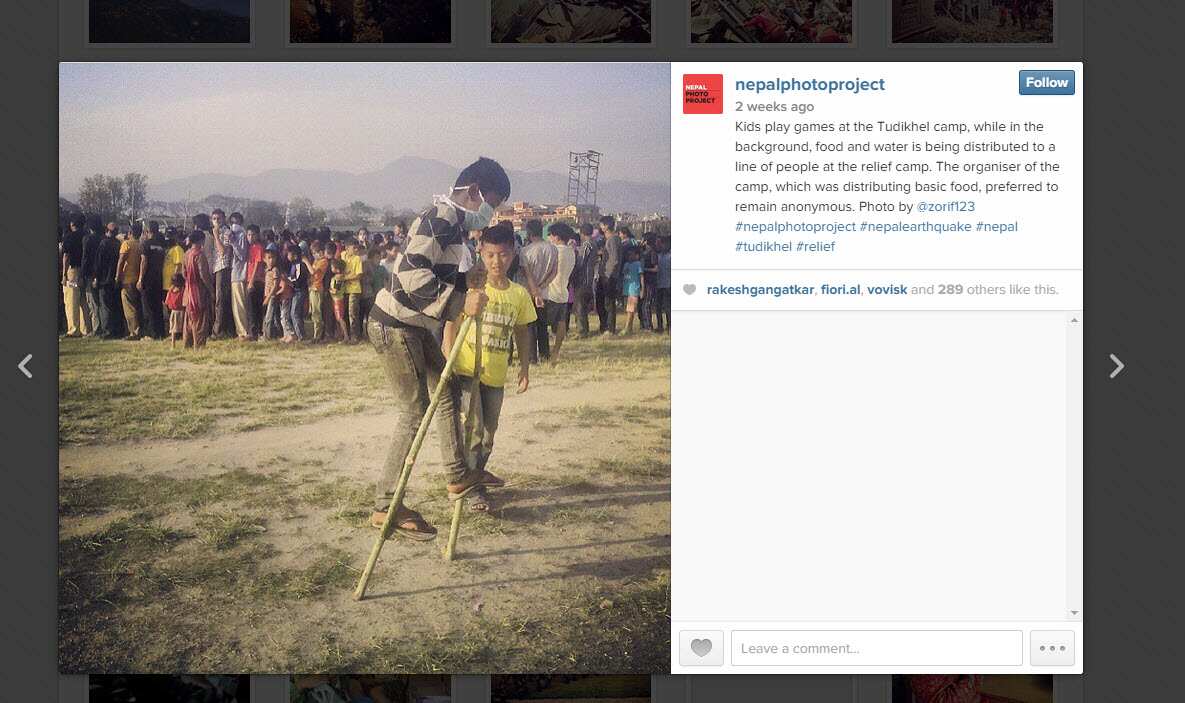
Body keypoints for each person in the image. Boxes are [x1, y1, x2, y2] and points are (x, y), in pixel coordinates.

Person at [366, 156, 511, 540]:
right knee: (413, 413)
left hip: (413, 327)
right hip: (395, 326)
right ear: (476, 193)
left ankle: (457, 476)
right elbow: (411, 277)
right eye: (492, 204)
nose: (491, 214)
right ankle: (386, 506)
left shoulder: (456, 226)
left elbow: (435, 273)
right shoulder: (441, 217)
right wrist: (460, 302)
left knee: (444, 393)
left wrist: (467, 281)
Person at [442, 222, 534, 512]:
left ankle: (476, 475)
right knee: (473, 428)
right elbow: (450, 324)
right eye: (491, 254)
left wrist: (524, 366)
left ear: (513, 253)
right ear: (481, 252)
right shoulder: (471, 287)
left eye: (504, 255)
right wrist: (449, 360)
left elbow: (522, 330)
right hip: (467, 370)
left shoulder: (518, 294)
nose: (497, 261)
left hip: (495, 374)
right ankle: (472, 489)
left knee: (489, 433)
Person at [516, 219, 558, 362]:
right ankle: (545, 354)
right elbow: (554, 272)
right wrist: (541, 287)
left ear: (529, 232)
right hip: (545, 291)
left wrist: (535, 291)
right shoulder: (552, 248)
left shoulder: (525, 251)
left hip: (529, 292)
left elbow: (527, 274)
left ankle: (531, 356)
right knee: (542, 325)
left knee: (529, 326)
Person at [544, 223, 576, 360]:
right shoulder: (571, 251)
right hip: (563, 292)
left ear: (556, 236)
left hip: (550, 292)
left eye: (550, 235)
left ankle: (544, 352)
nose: (549, 238)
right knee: (561, 323)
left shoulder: (554, 251)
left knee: (542, 324)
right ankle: (556, 351)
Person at [60, 215, 92, 337]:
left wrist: (64, 275)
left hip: (72, 272)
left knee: (71, 300)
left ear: (72, 223)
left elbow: (66, 256)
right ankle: (86, 328)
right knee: (83, 301)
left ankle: (73, 329)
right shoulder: (86, 236)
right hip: (84, 272)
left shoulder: (69, 237)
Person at [183, 227, 213, 349]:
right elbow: (204, 275)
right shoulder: (200, 255)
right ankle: (199, 345)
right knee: (200, 319)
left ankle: (187, 344)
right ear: (201, 241)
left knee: (189, 318)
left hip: (188, 290)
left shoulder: (187, 254)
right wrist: (211, 290)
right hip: (199, 291)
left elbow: (184, 272)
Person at [223, 212, 252, 340]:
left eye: (236, 223)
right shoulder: (236, 234)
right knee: (239, 304)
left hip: (240, 273)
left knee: (239, 304)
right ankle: (243, 331)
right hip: (236, 273)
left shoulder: (240, 235)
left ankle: (243, 332)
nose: (235, 225)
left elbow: (241, 255)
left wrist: (233, 242)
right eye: (233, 223)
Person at [137, 221, 167, 340]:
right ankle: (160, 332)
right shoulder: (161, 245)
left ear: (147, 231)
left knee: (148, 307)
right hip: (158, 278)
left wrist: (140, 278)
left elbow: (144, 261)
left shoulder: (145, 244)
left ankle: (151, 334)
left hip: (148, 278)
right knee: (157, 307)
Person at [94, 222, 123, 339]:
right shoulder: (118, 244)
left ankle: (107, 331)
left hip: (104, 280)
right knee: (115, 306)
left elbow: (99, 263)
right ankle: (117, 330)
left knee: (105, 306)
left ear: (107, 230)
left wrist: (96, 277)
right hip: (115, 279)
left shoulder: (104, 243)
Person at [115, 223, 143, 340]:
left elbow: (121, 260)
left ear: (130, 233)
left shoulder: (126, 244)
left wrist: (117, 276)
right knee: (136, 306)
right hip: (137, 279)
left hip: (127, 279)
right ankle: (139, 329)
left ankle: (134, 332)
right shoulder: (141, 245)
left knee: (129, 307)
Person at [208, 209, 233, 339]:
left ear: (224, 219)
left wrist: (217, 236)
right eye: (214, 219)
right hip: (215, 268)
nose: (216, 221)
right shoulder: (213, 232)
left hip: (223, 267)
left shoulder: (227, 232)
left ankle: (218, 331)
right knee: (216, 299)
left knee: (220, 299)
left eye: (218, 218)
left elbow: (223, 251)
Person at [262, 248, 293, 342]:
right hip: (269, 295)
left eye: (273, 258)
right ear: (264, 259)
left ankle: (266, 336)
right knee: (275, 316)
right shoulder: (267, 270)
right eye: (269, 258)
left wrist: (268, 297)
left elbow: (275, 285)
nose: (271, 260)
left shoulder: (275, 270)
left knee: (269, 317)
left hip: (271, 296)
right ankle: (279, 333)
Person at [597, 215, 622, 334]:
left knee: (608, 303)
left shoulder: (612, 240)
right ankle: (605, 327)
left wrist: (610, 274)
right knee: (603, 302)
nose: (600, 227)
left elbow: (615, 259)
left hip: (609, 276)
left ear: (606, 226)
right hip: (606, 275)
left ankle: (610, 328)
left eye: (601, 225)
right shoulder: (612, 240)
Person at [79, 216, 103, 336]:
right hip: (102, 274)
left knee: (92, 301)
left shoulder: (87, 239)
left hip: (89, 273)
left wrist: (82, 275)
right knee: (100, 301)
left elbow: (85, 258)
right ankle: (101, 325)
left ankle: (96, 328)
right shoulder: (102, 239)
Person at [340, 239, 365, 343]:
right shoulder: (342, 255)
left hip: (354, 289)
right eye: (353, 248)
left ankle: (355, 336)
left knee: (352, 313)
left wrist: (345, 278)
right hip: (343, 290)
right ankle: (346, 335)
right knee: (344, 313)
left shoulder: (357, 258)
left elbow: (359, 275)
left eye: (357, 248)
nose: (356, 250)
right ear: (347, 248)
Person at [246, 228, 268, 339]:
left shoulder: (258, 247)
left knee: (254, 308)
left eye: (252, 235)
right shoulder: (250, 247)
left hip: (257, 280)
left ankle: (254, 332)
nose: (250, 237)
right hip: (251, 279)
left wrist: (251, 281)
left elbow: (257, 265)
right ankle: (255, 331)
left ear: (257, 235)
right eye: (248, 235)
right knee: (252, 307)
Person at [307, 240, 329, 343]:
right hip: (312, 287)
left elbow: (312, 271)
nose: (314, 255)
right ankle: (316, 334)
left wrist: (306, 261)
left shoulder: (323, 261)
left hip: (318, 288)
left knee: (317, 312)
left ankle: (318, 335)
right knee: (313, 312)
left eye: (315, 253)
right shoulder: (316, 261)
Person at [286, 245, 309, 342]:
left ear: (294, 255)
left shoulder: (299, 264)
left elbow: (298, 279)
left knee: (295, 313)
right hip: (295, 291)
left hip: (299, 291)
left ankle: (301, 336)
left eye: (289, 253)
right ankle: (298, 334)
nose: (287, 255)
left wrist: (287, 281)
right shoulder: (293, 265)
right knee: (294, 314)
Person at [620, 247, 643, 335]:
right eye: (628, 255)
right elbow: (624, 274)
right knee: (628, 310)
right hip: (626, 289)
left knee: (631, 309)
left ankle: (626, 327)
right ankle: (630, 327)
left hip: (634, 289)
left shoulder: (638, 264)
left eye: (631, 254)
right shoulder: (626, 264)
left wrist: (642, 289)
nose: (629, 256)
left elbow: (641, 277)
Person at [639, 234, 659, 331]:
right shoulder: (643, 251)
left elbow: (656, 269)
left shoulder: (652, 252)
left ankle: (649, 326)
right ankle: (644, 324)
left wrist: (644, 269)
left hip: (650, 281)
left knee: (647, 304)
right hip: (644, 281)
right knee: (642, 304)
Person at [329, 258, 349, 343]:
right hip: (337, 299)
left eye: (332, 267)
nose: (331, 268)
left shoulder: (338, 278)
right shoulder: (340, 277)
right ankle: (342, 335)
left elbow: (335, 290)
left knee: (340, 318)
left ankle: (346, 336)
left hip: (338, 300)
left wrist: (329, 289)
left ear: (337, 269)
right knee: (339, 318)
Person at [655, 236, 672, 333]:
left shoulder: (670, 256)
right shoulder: (658, 256)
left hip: (668, 285)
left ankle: (669, 325)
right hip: (659, 285)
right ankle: (660, 326)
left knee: (668, 307)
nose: (662, 246)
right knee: (658, 307)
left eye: (663, 244)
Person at [165, 273, 186, 350]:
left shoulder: (170, 291)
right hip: (182, 311)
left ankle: (173, 345)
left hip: (173, 312)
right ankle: (185, 343)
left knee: (173, 329)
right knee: (184, 328)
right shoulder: (183, 291)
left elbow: (167, 302)